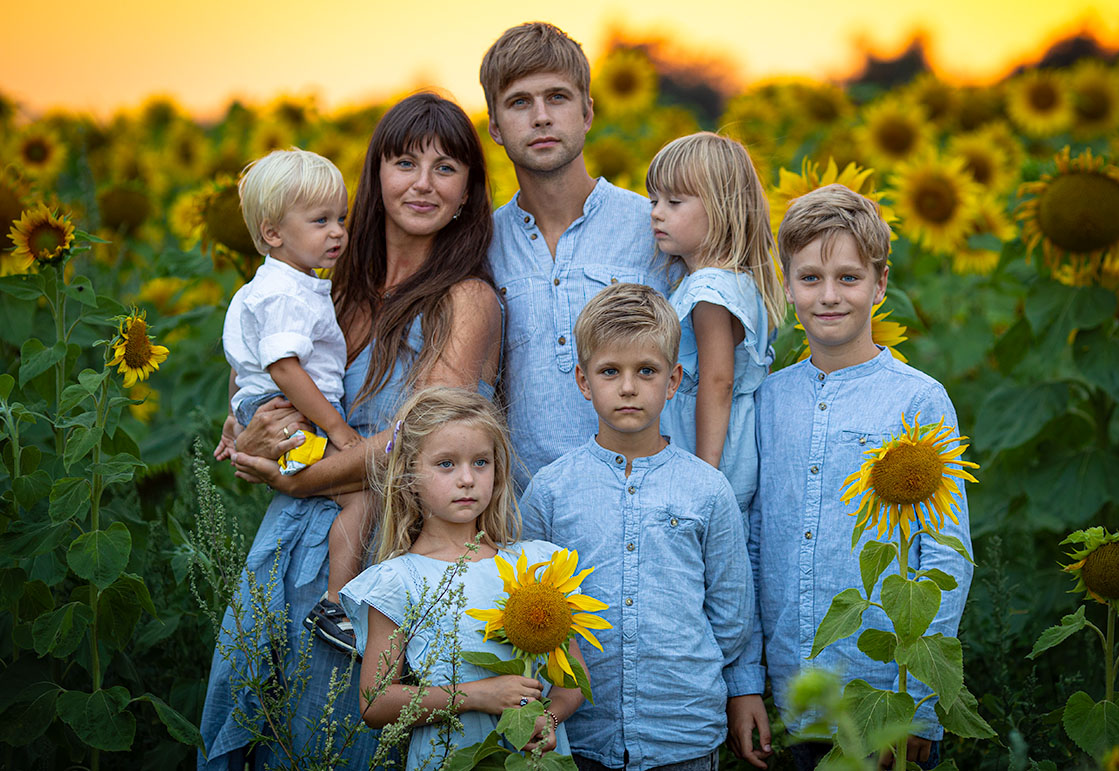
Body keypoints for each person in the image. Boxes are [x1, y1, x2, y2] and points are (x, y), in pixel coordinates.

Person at [199, 92, 503, 770]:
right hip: (290, 541)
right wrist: (252, 439)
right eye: (403, 162)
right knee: (268, 727)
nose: (422, 183)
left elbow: (413, 442)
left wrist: (293, 475)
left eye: (446, 167)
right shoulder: (330, 289)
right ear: (376, 177)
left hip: (384, 554)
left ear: (467, 195)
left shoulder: (466, 299)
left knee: (333, 737)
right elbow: (261, 390)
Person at [725, 184, 973, 771]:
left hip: (884, 697)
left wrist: (920, 700)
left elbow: (945, 556)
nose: (828, 296)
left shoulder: (918, 401)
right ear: (786, 286)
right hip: (790, 700)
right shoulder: (769, 399)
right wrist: (744, 683)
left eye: (849, 278)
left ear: (880, 284)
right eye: (809, 278)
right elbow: (753, 543)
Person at [520, 283, 754, 771]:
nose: (628, 387)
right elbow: (530, 606)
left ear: (673, 381)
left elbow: (731, 615)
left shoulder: (707, 490)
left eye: (646, 371)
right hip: (582, 730)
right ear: (584, 382)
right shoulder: (551, 490)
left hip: (682, 730)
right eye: (610, 372)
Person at [340, 387, 585, 768]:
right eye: (446, 464)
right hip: (448, 757)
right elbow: (375, 702)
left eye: (481, 462)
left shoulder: (535, 566)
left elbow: (573, 678)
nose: (467, 479)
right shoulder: (397, 580)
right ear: (409, 474)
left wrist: (545, 720)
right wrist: (475, 695)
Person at [480, 21, 673, 488]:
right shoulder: (479, 244)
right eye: (519, 102)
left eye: (558, 97)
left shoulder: (653, 226)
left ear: (587, 112)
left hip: (641, 502)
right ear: (495, 127)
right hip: (522, 518)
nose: (541, 117)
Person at [214, 147, 370, 655]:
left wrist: (233, 421)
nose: (338, 232)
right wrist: (339, 430)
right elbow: (283, 367)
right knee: (362, 495)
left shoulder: (269, 285)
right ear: (274, 233)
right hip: (295, 410)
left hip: (269, 403)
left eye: (341, 218)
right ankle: (335, 604)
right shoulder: (287, 293)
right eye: (320, 220)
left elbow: (242, 364)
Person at [646, 132, 785, 512]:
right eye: (654, 199)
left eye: (674, 202)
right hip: (732, 449)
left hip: (707, 454)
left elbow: (718, 382)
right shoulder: (738, 281)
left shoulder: (708, 289)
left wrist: (704, 474)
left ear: (723, 207)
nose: (657, 212)